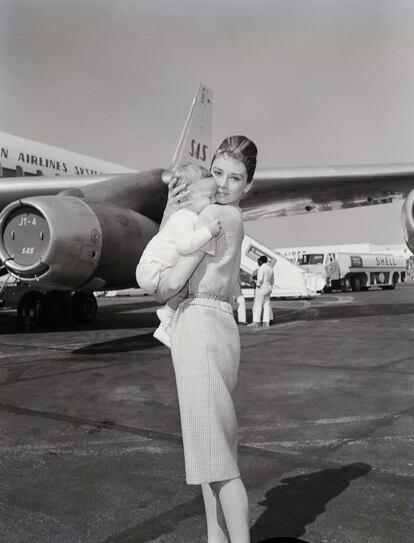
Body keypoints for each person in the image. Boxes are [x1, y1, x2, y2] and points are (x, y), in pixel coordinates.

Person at [156, 135, 257, 543]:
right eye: (217, 173)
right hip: (211, 323)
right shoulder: (218, 213)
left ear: (248, 186)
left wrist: (172, 202)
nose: (222, 183)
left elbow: (170, 247)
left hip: (201, 322)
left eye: (235, 178)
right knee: (211, 450)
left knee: (216, 460)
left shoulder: (222, 215)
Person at [135, 164, 221, 347]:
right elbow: (185, 245)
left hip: (158, 269)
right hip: (154, 270)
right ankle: (167, 315)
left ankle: (168, 322)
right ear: (188, 197)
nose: (214, 202)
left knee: (189, 284)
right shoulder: (183, 217)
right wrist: (209, 232)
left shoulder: (187, 216)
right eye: (209, 197)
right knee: (188, 283)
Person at [248, 255, 274, 328]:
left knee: (258, 305)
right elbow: (272, 280)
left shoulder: (261, 268)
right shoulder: (270, 268)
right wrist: (270, 286)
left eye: (258, 261)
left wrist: (258, 285)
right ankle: (266, 322)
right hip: (268, 287)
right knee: (267, 305)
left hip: (261, 288)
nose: (258, 263)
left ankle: (256, 322)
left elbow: (259, 279)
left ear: (261, 261)